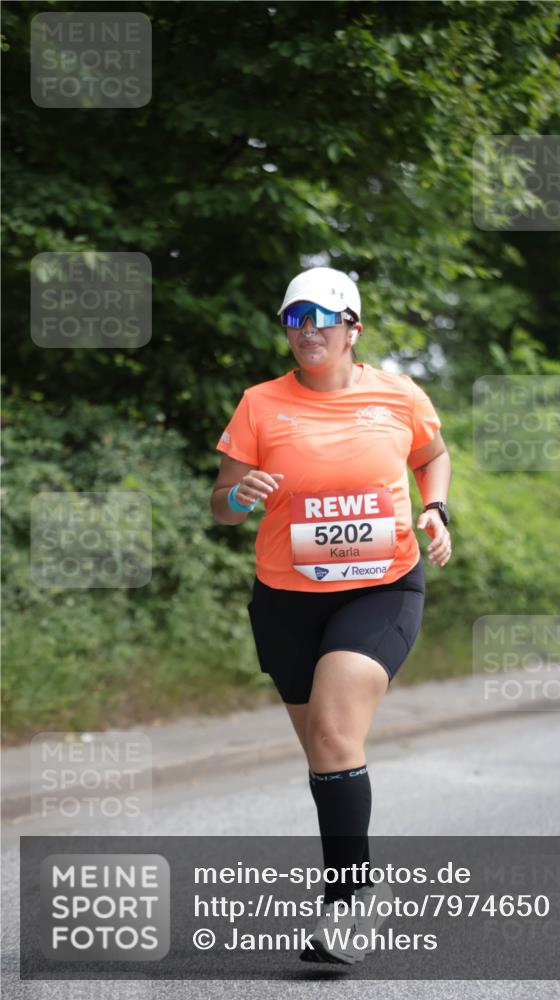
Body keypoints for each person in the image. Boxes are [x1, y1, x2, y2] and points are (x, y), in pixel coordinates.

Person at [210, 267, 452, 964]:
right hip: (285, 599)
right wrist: (240, 495)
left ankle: (350, 902)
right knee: (323, 751)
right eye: (294, 319)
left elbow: (432, 457)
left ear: (353, 328)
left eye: (321, 317)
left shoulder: (398, 394)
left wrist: (434, 508)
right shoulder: (259, 404)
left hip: (381, 587)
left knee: (333, 727)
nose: (307, 330)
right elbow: (221, 506)